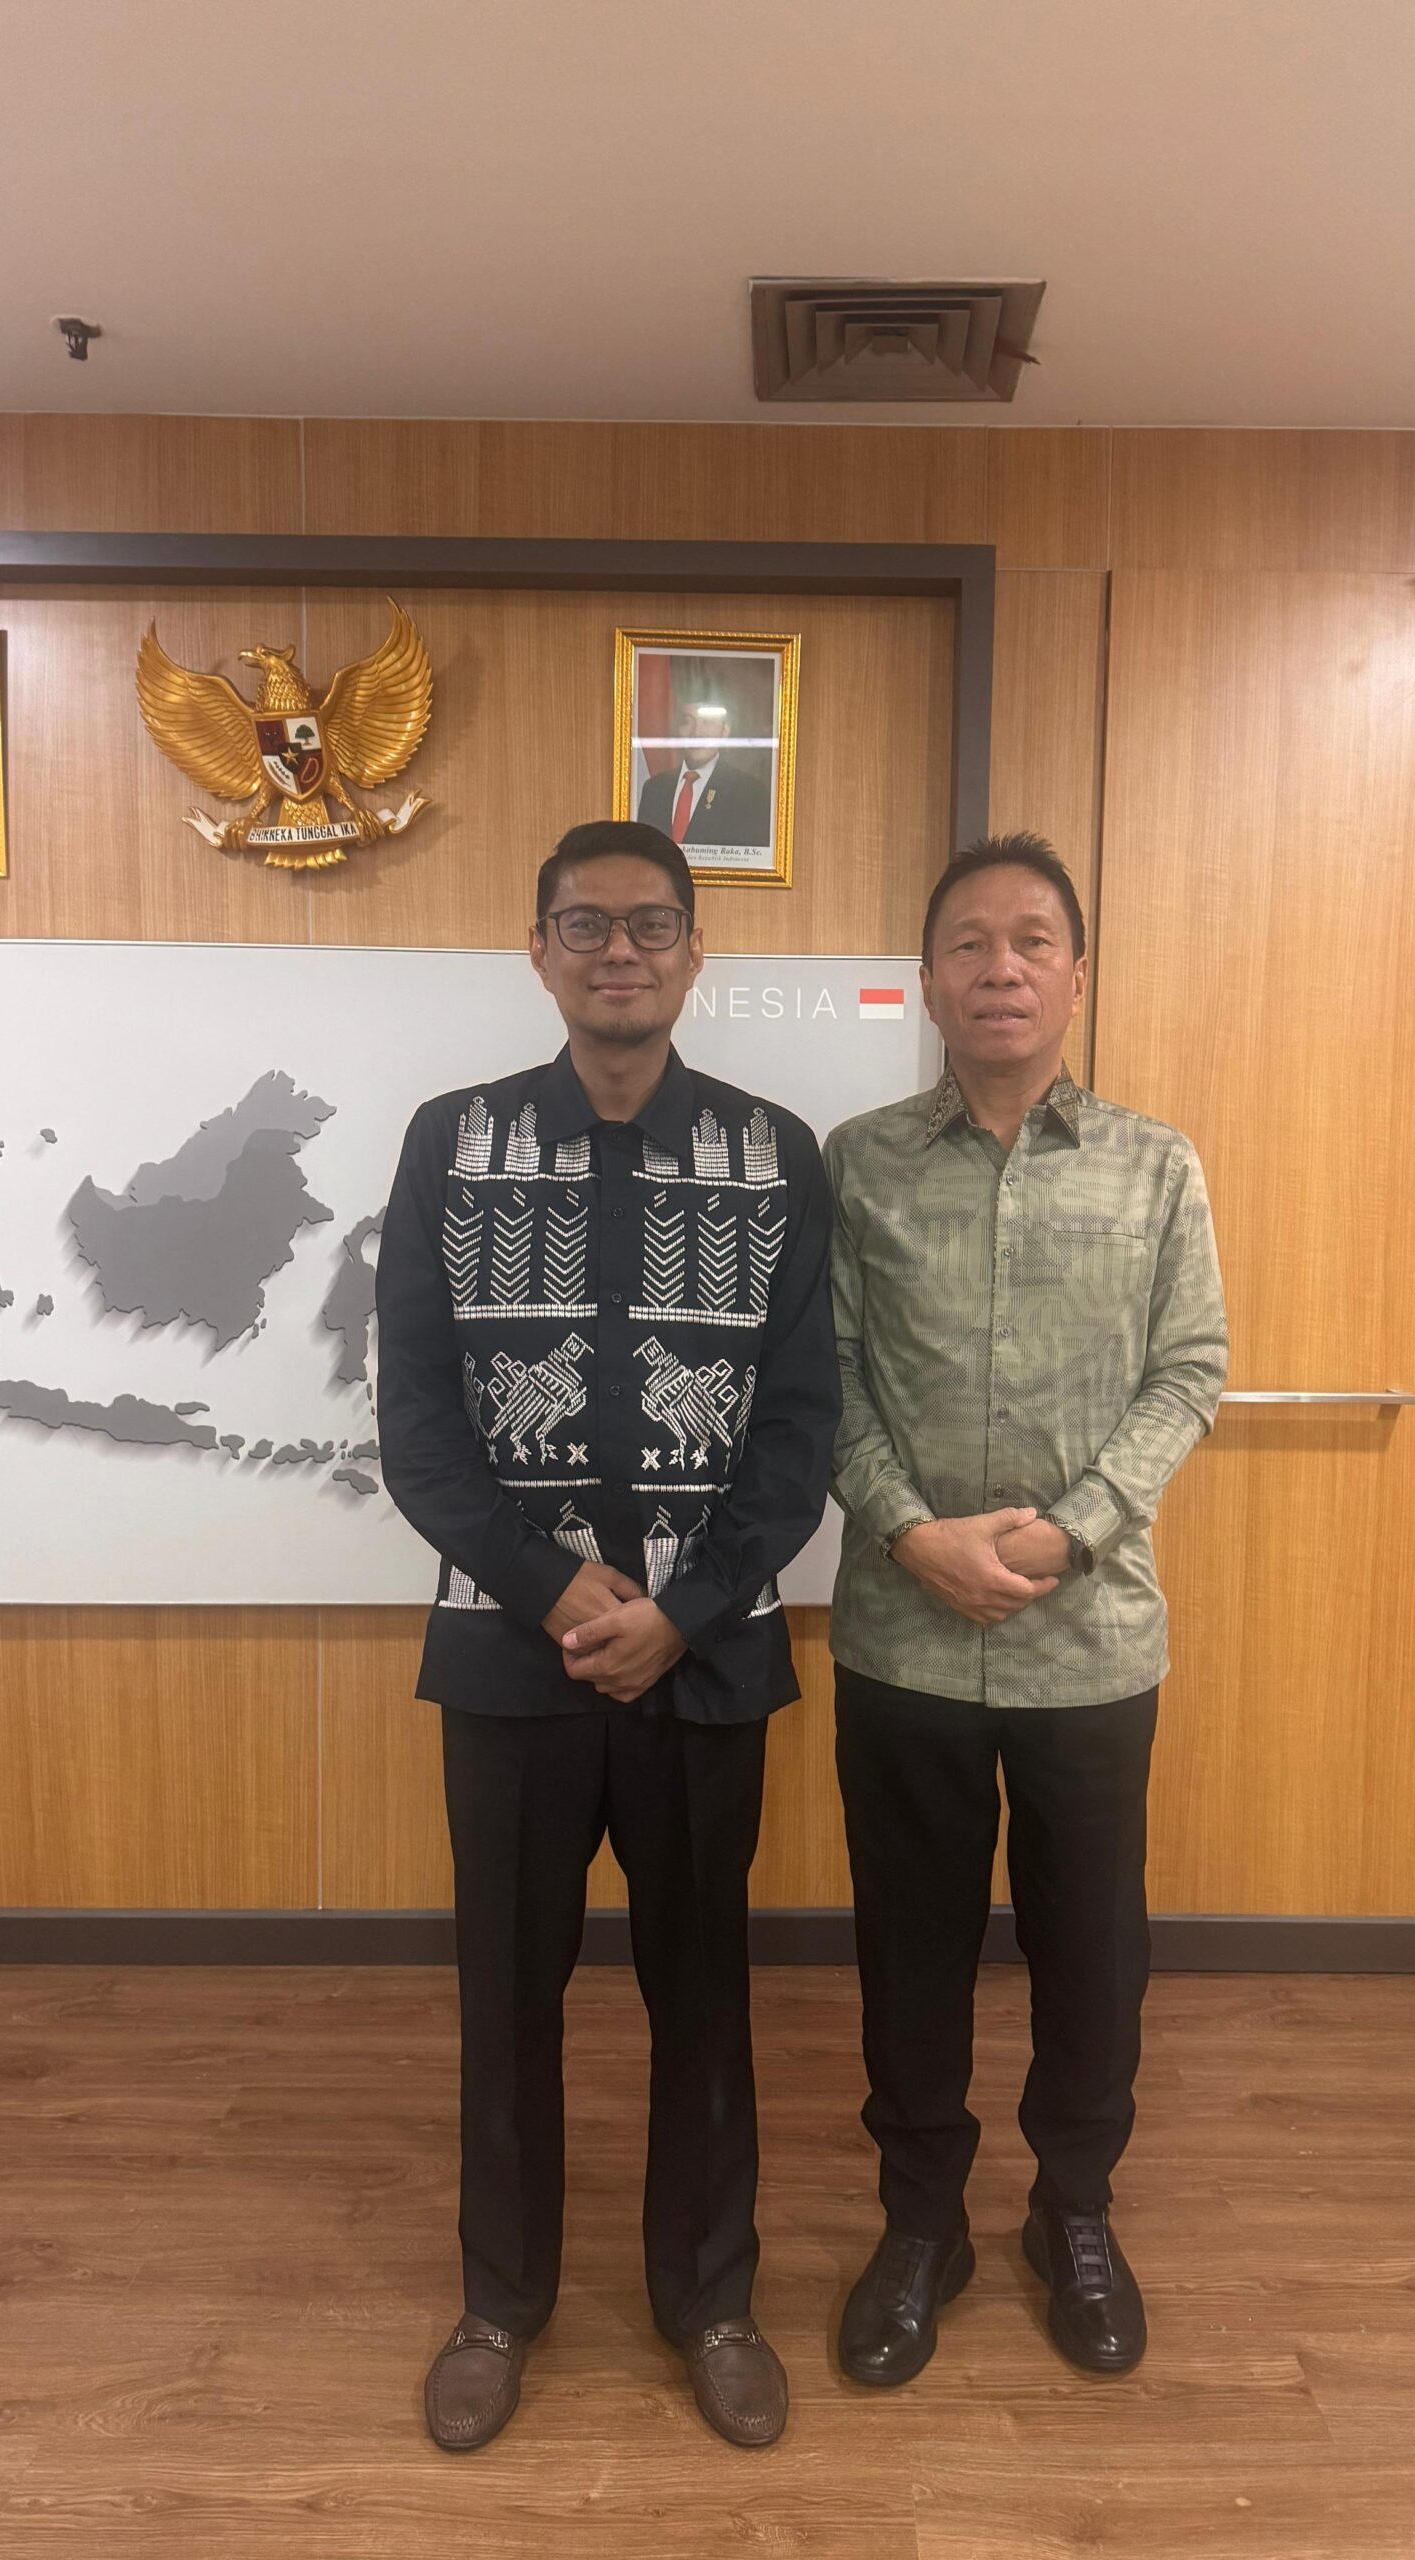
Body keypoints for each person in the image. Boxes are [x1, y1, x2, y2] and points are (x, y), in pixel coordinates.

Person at [375, 818, 838, 2454]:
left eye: (651, 925)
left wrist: (684, 1610)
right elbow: (419, 1428)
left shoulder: (776, 1154)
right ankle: (499, 2300)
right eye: (587, 924)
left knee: (703, 1992)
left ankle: (711, 2299)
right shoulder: (453, 1143)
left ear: (696, 953)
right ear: (540, 950)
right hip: (511, 1659)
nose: (620, 950)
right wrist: (550, 1586)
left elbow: (801, 1430)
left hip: (707, 1663)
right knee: (507, 1993)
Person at [823, 831, 1227, 2389]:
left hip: (1092, 1642)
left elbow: (1189, 1370)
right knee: (910, 1950)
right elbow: (826, 1379)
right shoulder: (859, 1162)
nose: (1001, 968)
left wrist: (1073, 1531)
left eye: (1032, 941)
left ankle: (1074, 2212)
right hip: (903, 1634)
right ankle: (918, 2223)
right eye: (970, 944)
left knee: (1090, 1951)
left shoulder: (1155, 1164)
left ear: (1077, 977)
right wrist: (912, 1534)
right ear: (929, 982)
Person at [635, 701, 772, 856]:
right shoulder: (654, 788)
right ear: (677, 729)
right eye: (686, 721)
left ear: (724, 730)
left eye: (708, 722)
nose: (696, 733)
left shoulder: (750, 792)